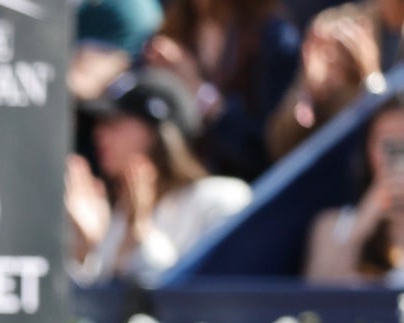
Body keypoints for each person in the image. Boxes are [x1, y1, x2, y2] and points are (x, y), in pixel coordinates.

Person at [67, 70, 253, 285]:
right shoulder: (118, 215)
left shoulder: (221, 198)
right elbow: (95, 310)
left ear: (158, 132)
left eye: (114, 122)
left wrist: (141, 233)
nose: (98, 133)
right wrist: (85, 247)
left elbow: (191, 298)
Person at [142, 0, 301, 181]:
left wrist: (198, 89)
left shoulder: (274, 38)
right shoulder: (176, 31)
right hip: (194, 186)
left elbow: (266, 151)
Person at [269, 3, 390, 159]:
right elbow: (278, 145)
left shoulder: (389, 39)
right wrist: (308, 96)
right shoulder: (330, 28)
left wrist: (370, 77)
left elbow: (392, 132)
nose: (330, 57)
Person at [305, 92, 404, 282]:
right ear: (368, 148)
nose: (398, 152)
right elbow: (316, 299)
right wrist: (362, 224)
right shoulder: (332, 225)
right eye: (387, 143)